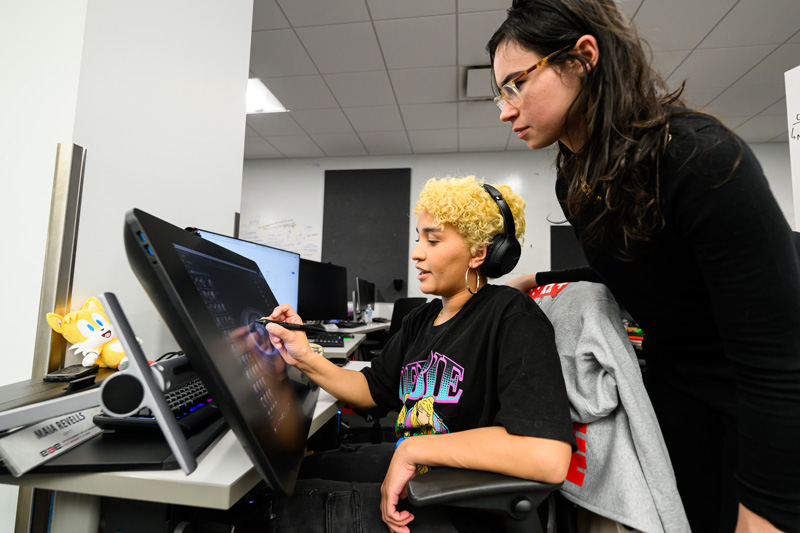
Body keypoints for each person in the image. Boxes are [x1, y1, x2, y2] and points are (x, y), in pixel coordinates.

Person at [486, 1, 800, 532]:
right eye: (501, 92)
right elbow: (643, 275)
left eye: (516, 84)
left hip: (755, 396)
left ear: (583, 58)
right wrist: (540, 280)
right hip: (677, 384)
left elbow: (779, 360)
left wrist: (767, 509)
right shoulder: (576, 182)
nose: (504, 109)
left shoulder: (702, 160)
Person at [259, 176, 575, 533]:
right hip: (419, 467)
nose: (416, 252)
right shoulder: (422, 318)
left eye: (433, 239)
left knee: (273, 512)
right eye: (418, 237)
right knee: (288, 476)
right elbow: (371, 389)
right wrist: (302, 356)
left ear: (478, 253)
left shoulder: (512, 316)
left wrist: (413, 451)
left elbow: (546, 455)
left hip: (459, 504)